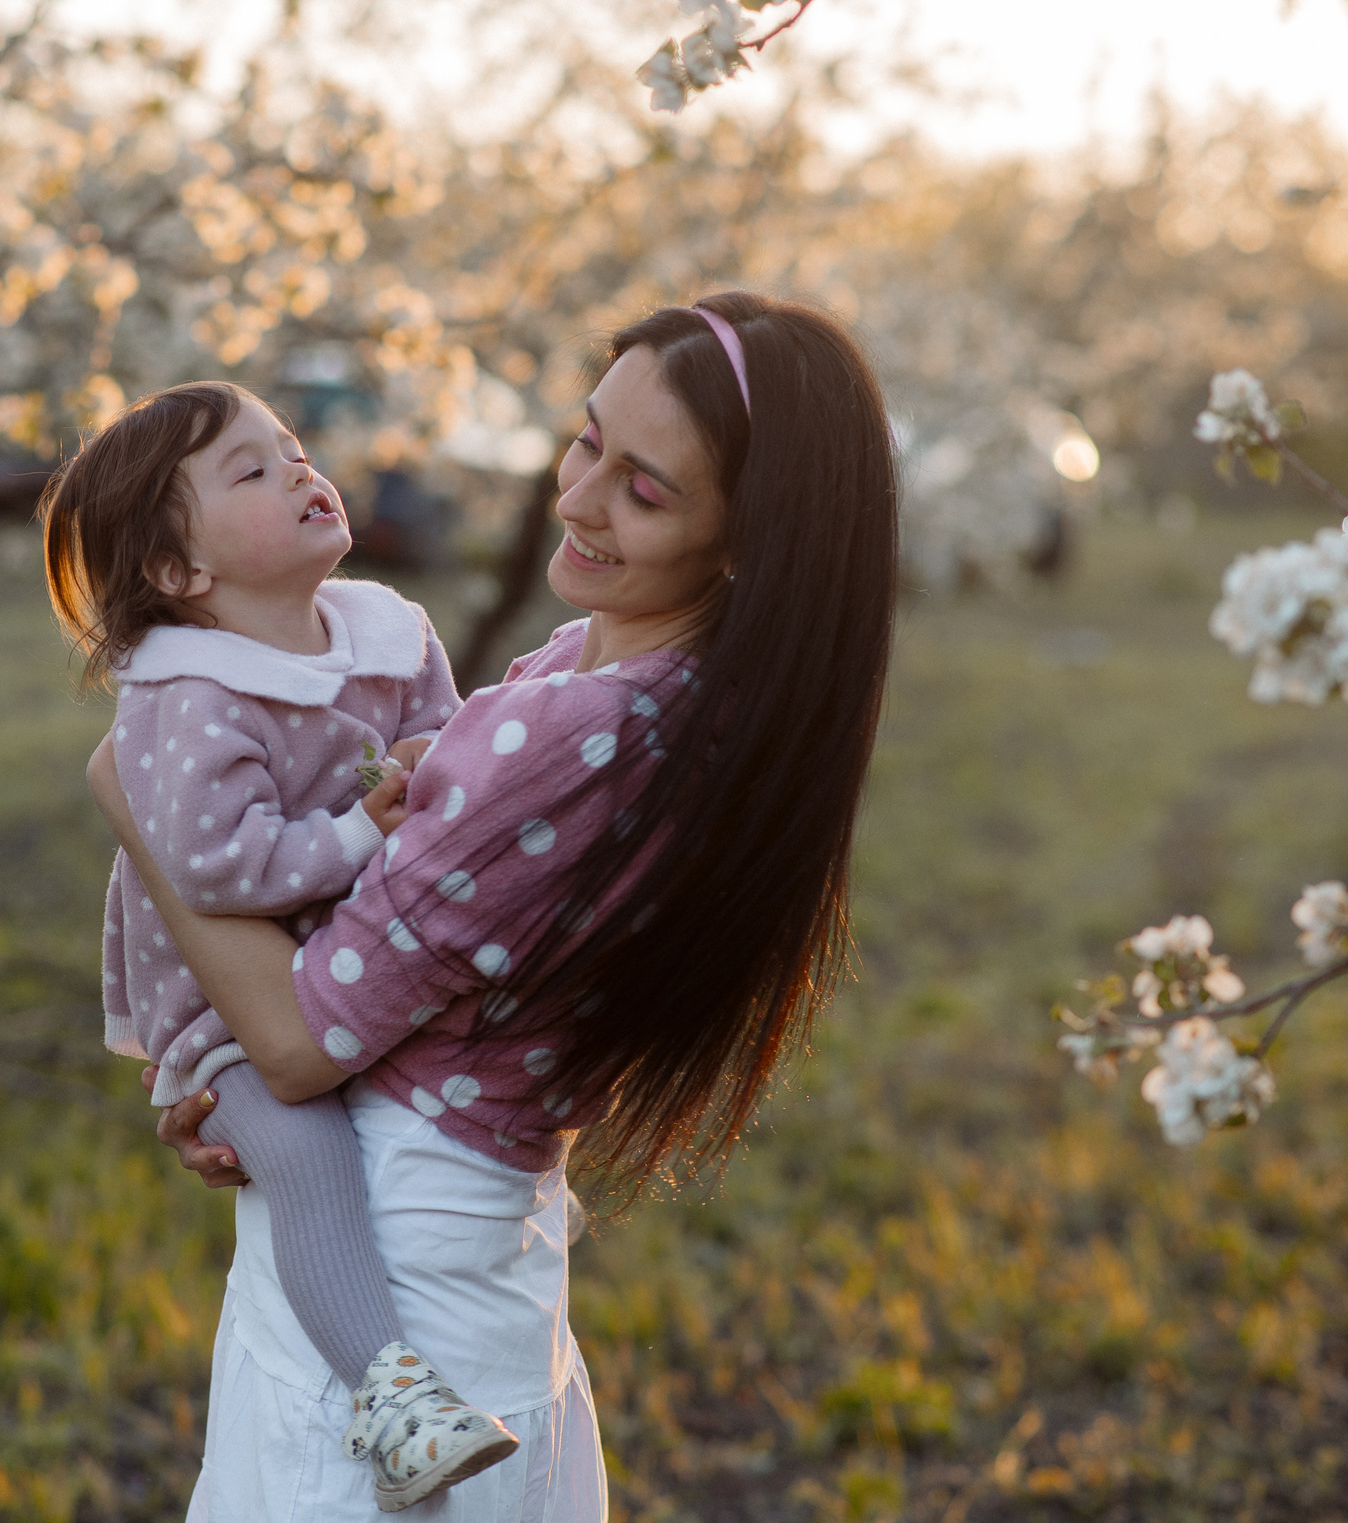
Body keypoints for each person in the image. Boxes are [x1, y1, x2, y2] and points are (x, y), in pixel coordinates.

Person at [88, 291, 902, 1521]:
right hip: (461, 1240)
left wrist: (134, 802)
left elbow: (304, 1043)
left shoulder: (573, 728)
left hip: (403, 1269)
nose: (576, 499)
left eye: (645, 488)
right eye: (586, 442)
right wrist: (237, 1103)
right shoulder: (655, 682)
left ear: (751, 535)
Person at [43, 382, 522, 1509]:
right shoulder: (188, 695)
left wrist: (422, 754)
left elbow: (442, 744)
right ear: (179, 574)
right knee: (303, 1157)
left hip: (351, 954)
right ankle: (391, 1394)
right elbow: (212, 870)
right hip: (225, 1021)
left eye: (295, 452)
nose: (302, 474)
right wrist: (368, 822)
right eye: (252, 474)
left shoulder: (383, 631)